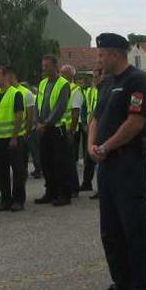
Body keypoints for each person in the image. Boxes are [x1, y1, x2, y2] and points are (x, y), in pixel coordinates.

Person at [88, 33, 146, 290]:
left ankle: (144, 287)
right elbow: (96, 117)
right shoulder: (107, 83)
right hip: (106, 164)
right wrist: (92, 145)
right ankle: (122, 282)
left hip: (128, 163)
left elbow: (135, 122)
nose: (99, 58)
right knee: (111, 229)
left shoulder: (137, 81)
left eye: (101, 54)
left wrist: (105, 146)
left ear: (115, 54)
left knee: (134, 227)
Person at [35, 55, 73, 206]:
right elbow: (39, 103)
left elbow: (60, 107)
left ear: (55, 66)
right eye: (43, 66)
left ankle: (64, 194)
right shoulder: (43, 83)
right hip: (43, 128)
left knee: (60, 163)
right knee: (46, 162)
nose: (44, 69)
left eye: (47, 66)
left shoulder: (63, 84)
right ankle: (50, 192)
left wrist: (46, 123)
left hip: (57, 129)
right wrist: (37, 121)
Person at [0, 65, 27, 212]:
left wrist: (14, 137)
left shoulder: (15, 94)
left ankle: (18, 200)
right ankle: (5, 200)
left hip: (12, 139)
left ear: (5, 76)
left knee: (17, 170)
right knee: (1, 170)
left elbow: (19, 116)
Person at [62, 65, 84, 197]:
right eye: (61, 73)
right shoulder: (62, 87)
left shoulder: (75, 90)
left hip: (70, 130)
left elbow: (75, 113)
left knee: (70, 160)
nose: (62, 76)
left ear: (71, 76)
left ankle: (74, 188)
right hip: (61, 129)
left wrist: (71, 131)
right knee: (63, 160)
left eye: (65, 74)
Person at [81, 69, 101, 197]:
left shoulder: (104, 90)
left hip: (100, 128)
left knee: (99, 159)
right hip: (90, 127)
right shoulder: (89, 91)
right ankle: (86, 182)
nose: (94, 79)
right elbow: (85, 108)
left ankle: (101, 188)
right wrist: (84, 123)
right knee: (88, 157)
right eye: (93, 77)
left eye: (96, 76)